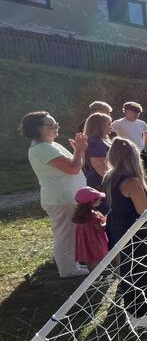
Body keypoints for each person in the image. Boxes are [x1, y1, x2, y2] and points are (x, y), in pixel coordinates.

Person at [103, 138, 147, 327]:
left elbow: (128, 202)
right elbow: (144, 211)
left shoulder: (110, 176)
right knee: (143, 271)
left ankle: (133, 311)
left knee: (128, 268)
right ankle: (143, 316)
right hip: (136, 232)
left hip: (119, 228)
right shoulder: (132, 182)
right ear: (134, 158)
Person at [21, 111, 89, 278]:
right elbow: (73, 168)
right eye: (51, 125)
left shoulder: (51, 145)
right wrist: (79, 150)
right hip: (60, 199)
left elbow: (77, 164)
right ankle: (68, 269)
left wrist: (79, 151)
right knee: (65, 235)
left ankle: (72, 264)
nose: (56, 127)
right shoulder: (42, 148)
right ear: (38, 128)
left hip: (66, 198)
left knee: (70, 233)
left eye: (56, 123)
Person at [73, 186, 109, 270]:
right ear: (92, 201)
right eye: (99, 199)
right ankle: (96, 275)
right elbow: (101, 229)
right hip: (94, 242)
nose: (101, 200)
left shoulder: (80, 214)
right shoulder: (93, 216)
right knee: (96, 260)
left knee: (90, 260)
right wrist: (107, 221)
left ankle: (92, 274)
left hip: (85, 243)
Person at [110, 102, 147, 170]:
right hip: (125, 153)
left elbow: (146, 133)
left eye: (138, 112)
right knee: (127, 172)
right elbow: (107, 133)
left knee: (144, 172)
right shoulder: (118, 123)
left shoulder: (142, 123)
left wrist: (144, 147)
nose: (137, 114)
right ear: (126, 111)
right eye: (134, 112)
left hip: (140, 152)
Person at [83, 112, 112, 194]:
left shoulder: (102, 140)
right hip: (99, 181)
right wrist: (114, 182)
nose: (111, 127)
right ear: (99, 125)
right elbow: (99, 165)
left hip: (103, 179)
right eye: (108, 124)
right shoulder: (94, 141)